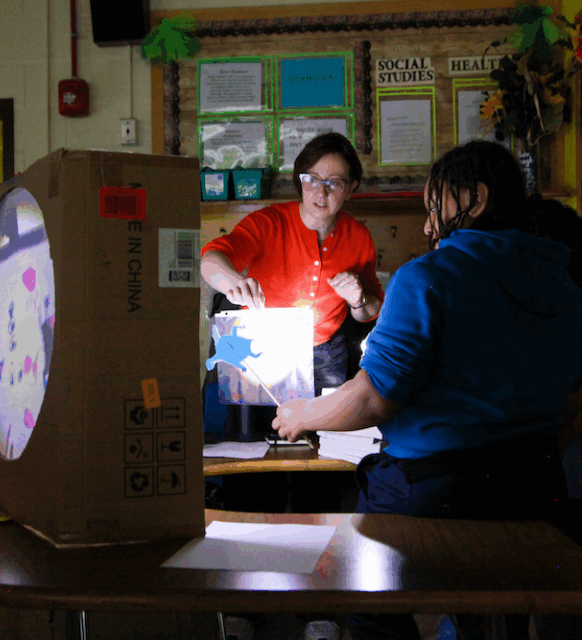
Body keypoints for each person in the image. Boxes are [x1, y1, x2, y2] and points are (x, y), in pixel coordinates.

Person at [272, 140, 582, 640]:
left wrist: (303, 414)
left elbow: (375, 397)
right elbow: (572, 400)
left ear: (474, 199)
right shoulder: (562, 280)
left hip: (433, 491)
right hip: (538, 484)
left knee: (357, 593)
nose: (426, 225)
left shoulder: (429, 276)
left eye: (434, 207)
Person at [200, 132, 384, 640]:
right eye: (311, 180)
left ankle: (317, 605)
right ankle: (244, 601)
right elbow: (212, 256)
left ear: (349, 190)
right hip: (259, 347)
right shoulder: (267, 222)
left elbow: (373, 312)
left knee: (318, 476)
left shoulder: (359, 237)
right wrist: (229, 281)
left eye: (334, 183)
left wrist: (356, 300)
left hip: (323, 351)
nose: (320, 192)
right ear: (299, 181)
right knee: (249, 471)